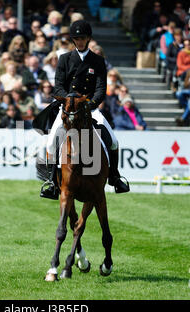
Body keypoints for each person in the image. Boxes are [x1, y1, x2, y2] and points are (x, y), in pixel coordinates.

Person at [34, 20, 129, 199]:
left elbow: (101, 88)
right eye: (76, 38)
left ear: (88, 39)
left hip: (89, 108)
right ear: (73, 40)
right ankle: (52, 182)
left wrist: (89, 104)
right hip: (68, 109)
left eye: (82, 38)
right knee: (50, 142)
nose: (79, 41)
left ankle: (115, 177)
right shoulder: (64, 59)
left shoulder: (98, 61)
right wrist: (71, 101)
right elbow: (58, 87)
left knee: (114, 141)